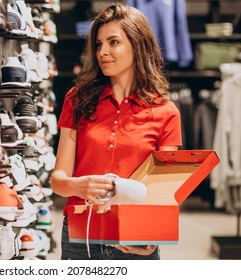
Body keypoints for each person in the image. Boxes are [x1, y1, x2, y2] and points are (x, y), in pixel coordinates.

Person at [50, 3, 182, 260]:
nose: (103, 53)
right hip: (81, 235)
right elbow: (58, 180)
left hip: (134, 237)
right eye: (98, 45)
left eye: (114, 42)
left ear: (138, 45)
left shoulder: (166, 111)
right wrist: (79, 185)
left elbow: (162, 194)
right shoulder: (77, 99)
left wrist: (152, 239)